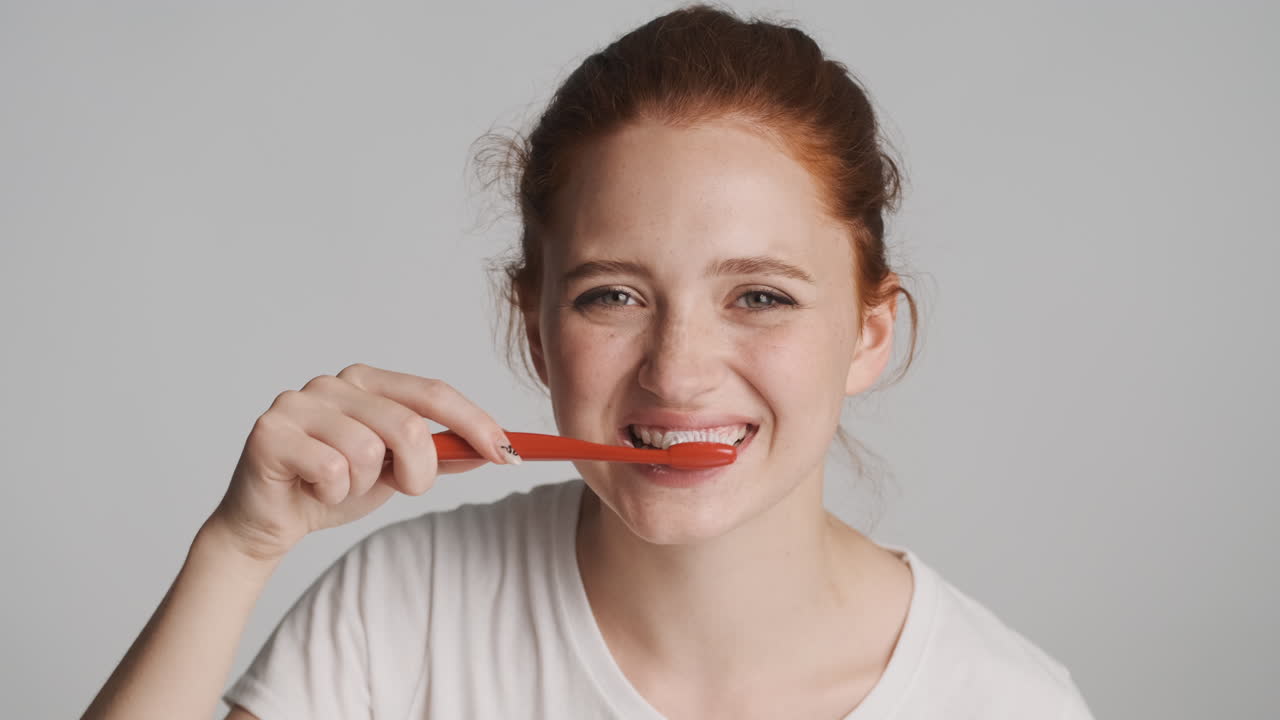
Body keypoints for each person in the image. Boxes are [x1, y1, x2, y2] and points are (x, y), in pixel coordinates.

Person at [82, 5, 1095, 719]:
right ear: (534, 329)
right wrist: (239, 549)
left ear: (869, 335)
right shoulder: (405, 613)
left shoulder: (1007, 702)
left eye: (760, 296)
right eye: (612, 296)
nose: (678, 372)